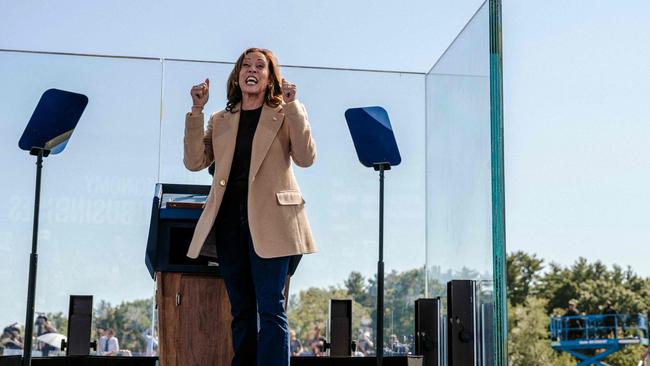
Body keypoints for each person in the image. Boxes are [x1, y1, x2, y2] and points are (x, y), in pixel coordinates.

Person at [183, 47, 317, 366]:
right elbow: (194, 162)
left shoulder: (284, 113)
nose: (251, 69)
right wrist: (196, 110)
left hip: (273, 222)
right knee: (241, 309)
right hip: (230, 222)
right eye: (246, 65)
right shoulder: (220, 119)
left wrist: (294, 104)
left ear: (270, 77)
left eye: (260, 65)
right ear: (238, 75)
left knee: (271, 308)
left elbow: (305, 157)